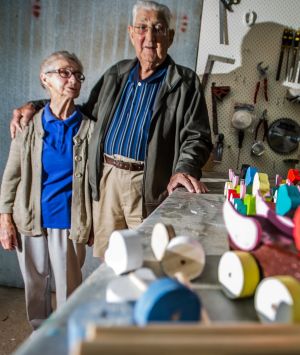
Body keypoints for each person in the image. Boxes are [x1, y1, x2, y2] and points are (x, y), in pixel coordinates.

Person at [10, 1, 212, 259]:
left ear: (170, 37)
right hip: (107, 180)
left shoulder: (184, 82)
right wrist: (35, 106)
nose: (149, 37)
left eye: (158, 29)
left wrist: (185, 168)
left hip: (149, 183)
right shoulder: (117, 73)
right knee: (110, 258)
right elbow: (83, 112)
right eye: (142, 28)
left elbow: (198, 136)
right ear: (131, 33)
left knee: (149, 257)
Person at [0, 51, 94, 329]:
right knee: (35, 287)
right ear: (45, 79)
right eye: (65, 72)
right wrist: (4, 217)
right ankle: (40, 337)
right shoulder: (28, 126)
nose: (73, 79)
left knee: (69, 290)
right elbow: (11, 174)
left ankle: (65, 340)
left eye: (78, 74)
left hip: (69, 221)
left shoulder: (89, 127)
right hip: (30, 220)